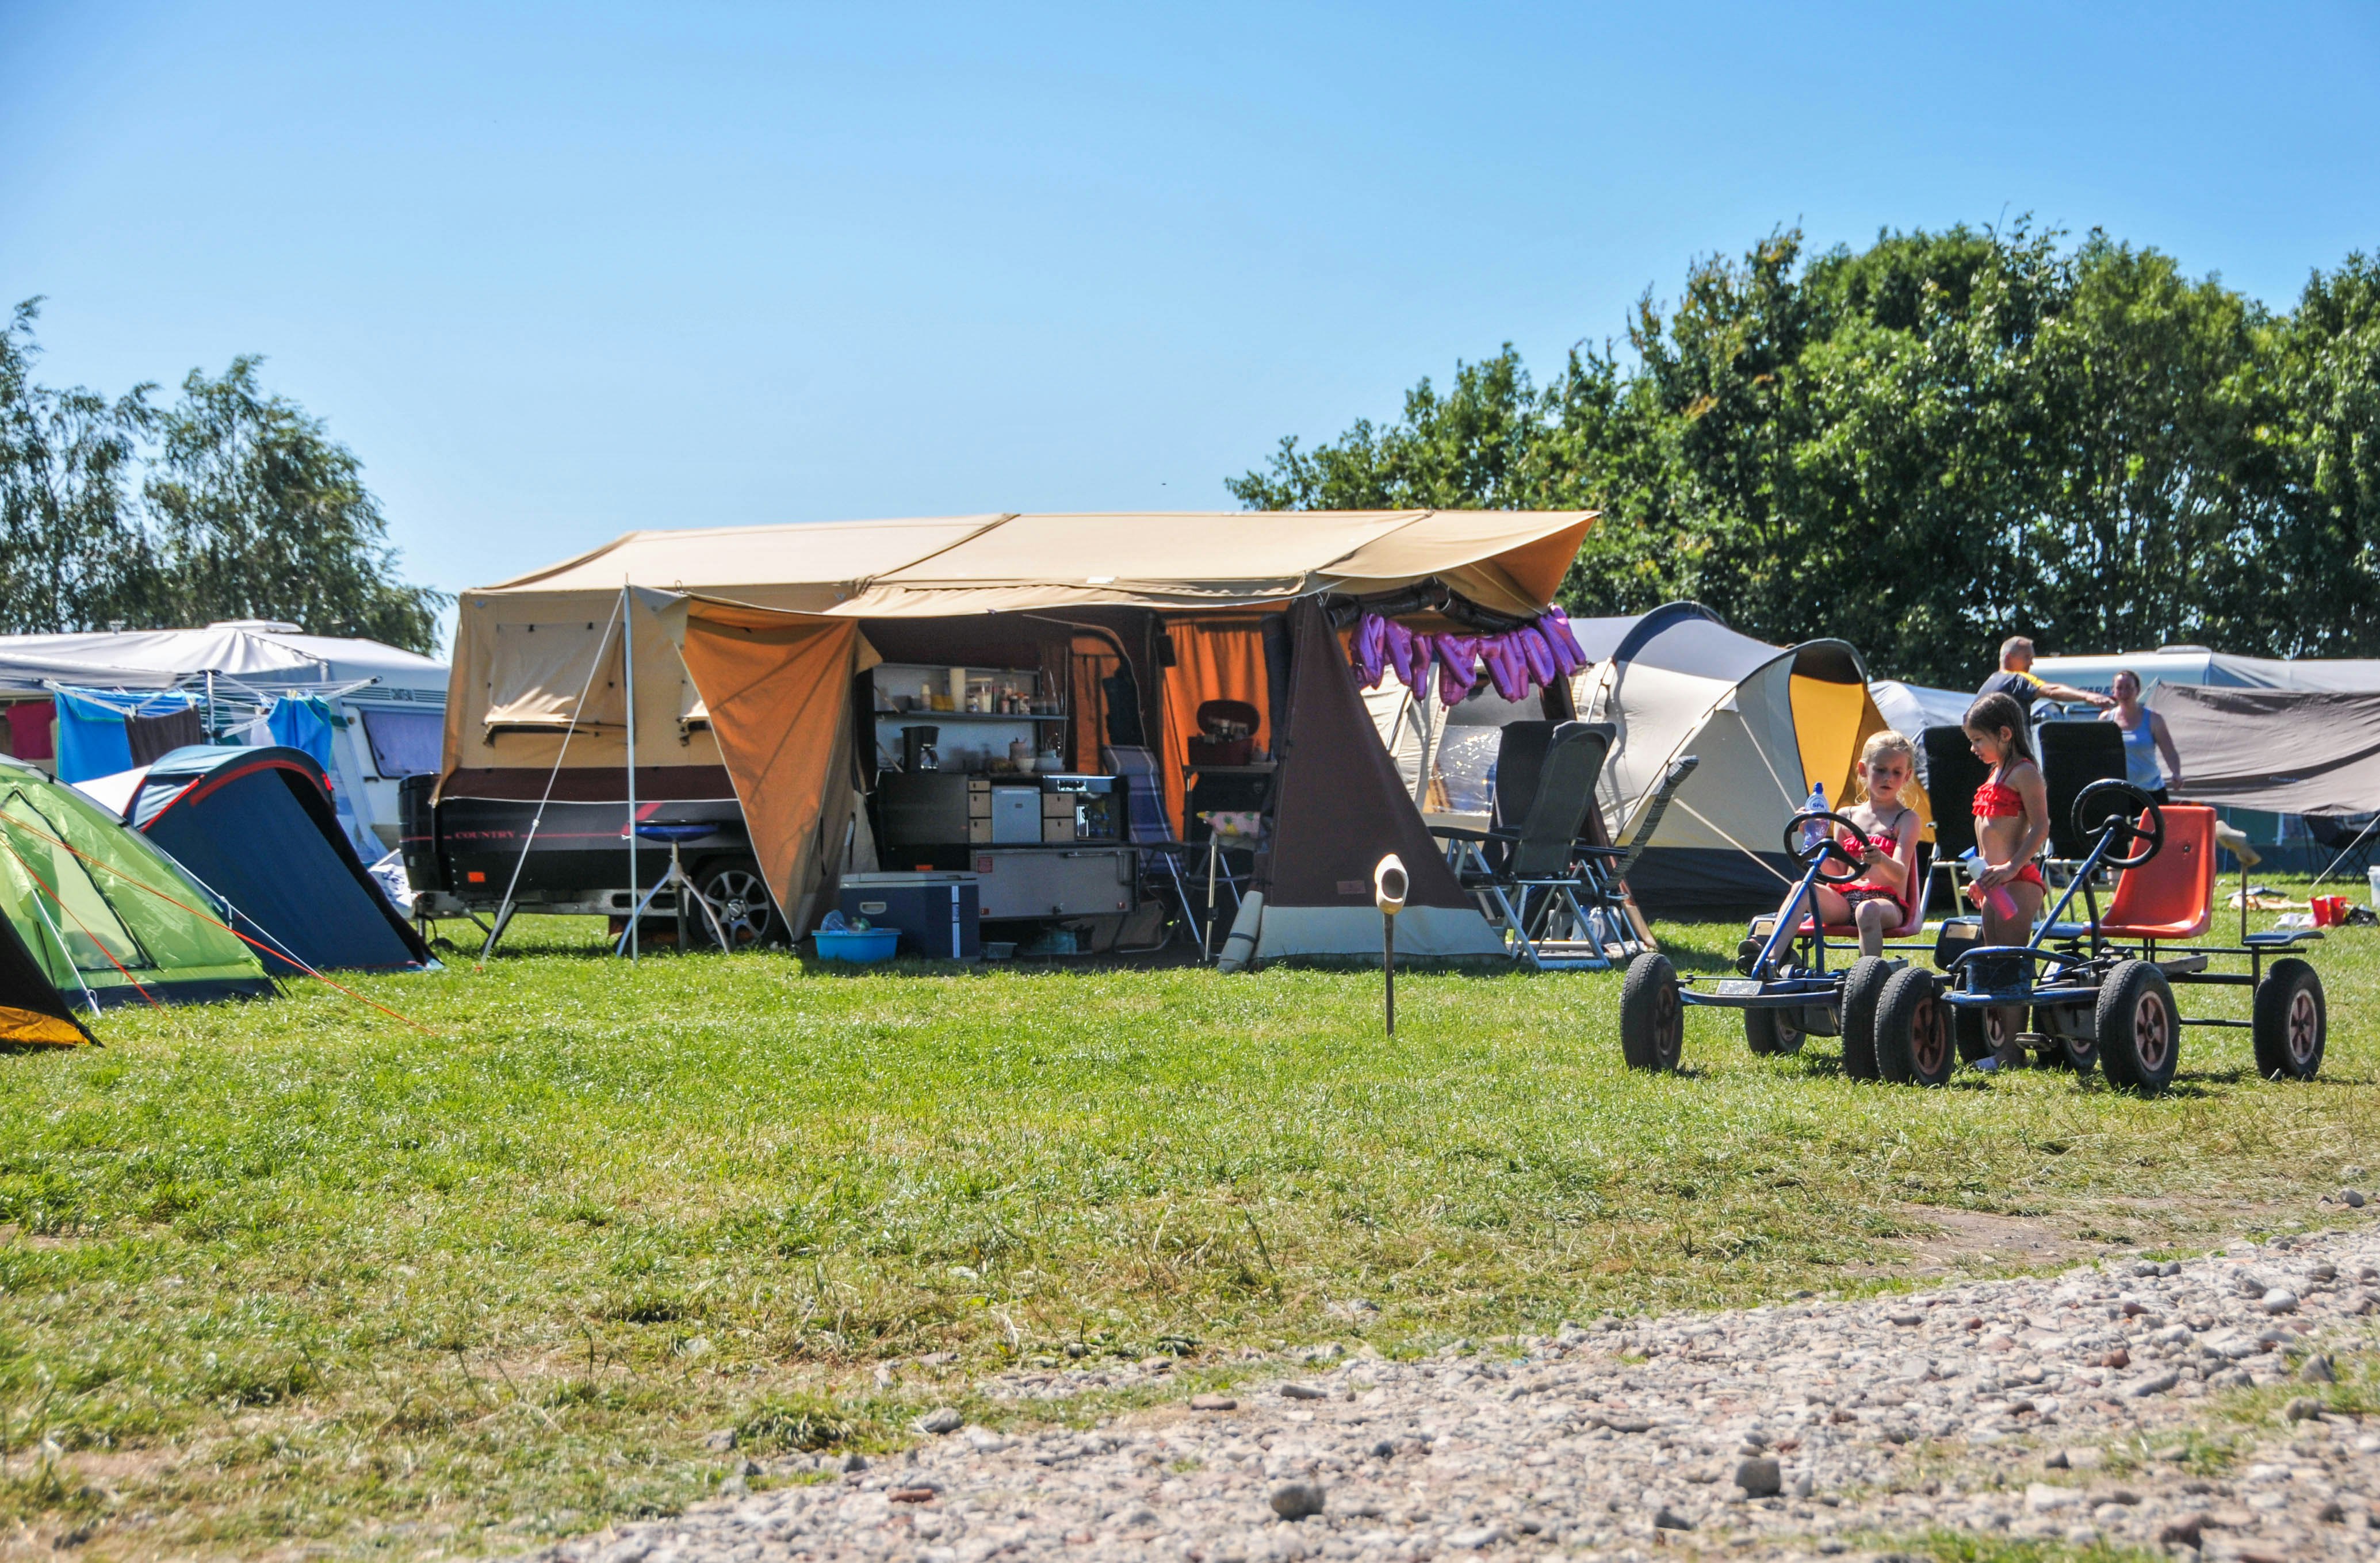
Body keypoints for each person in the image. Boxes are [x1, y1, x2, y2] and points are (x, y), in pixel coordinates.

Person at [1740, 730, 1922, 971]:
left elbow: (1900, 874)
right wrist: (1812, 838)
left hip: (1886, 904)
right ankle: (1770, 959)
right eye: (1880, 770)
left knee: (1867, 910)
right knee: (1800, 888)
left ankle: (1867, 977)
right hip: (1845, 900)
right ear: (1863, 769)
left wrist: (1881, 860)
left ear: (1907, 776)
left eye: (1896, 772)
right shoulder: (1846, 816)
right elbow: (1837, 873)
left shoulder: (1906, 819)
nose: (1888, 778)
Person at [1965, 689, 2050, 1070]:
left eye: (1978, 740)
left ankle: (2014, 1053)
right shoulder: (1994, 773)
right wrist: (1981, 875)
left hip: (2018, 881)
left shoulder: (2025, 772)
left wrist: (2013, 867)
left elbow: (2041, 826)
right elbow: (1988, 835)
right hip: (1994, 884)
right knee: (1992, 965)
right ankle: (2004, 1049)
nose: (1974, 748)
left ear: (2004, 733)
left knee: (2012, 964)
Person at [2099, 668, 2182, 802]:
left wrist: (2176, 773)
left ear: (2137, 690)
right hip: (2119, 791)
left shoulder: (2153, 719)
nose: (2124, 693)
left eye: (2129, 688)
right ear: (2113, 691)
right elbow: (2099, 755)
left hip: (2151, 791)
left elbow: (2170, 751)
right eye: (2120, 688)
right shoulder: (2106, 719)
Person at [1979, 636, 2114, 716]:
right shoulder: (2017, 679)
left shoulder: (1988, 684)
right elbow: (2052, 690)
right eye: (2027, 657)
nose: (2031, 663)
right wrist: (2088, 696)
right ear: (2009, 658)